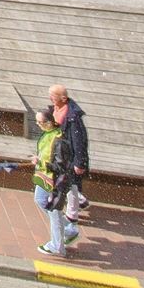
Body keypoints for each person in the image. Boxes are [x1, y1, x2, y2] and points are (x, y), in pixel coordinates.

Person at [32, 106, 80, 257]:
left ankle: (57, 246)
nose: (38, 125)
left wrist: (42, 164)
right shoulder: (48, 134)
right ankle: (68, 230)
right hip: (44, 176)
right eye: (37, 122)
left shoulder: (59, 140)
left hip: (55, 180)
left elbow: (60, 166)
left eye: (41, 122)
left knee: (53, 210)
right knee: (41, 200)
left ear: (49, 122)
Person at [50, 84, 91, 220]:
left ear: (63, 98)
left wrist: (79, 162)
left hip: (70, 158)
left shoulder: (73, 118)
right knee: (65, 183)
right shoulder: (55, 110)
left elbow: (79, 141)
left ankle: (72, 215)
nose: (51, 99)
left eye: (53, 96)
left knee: (70, 185)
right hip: (60, 155)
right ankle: (80, 200)